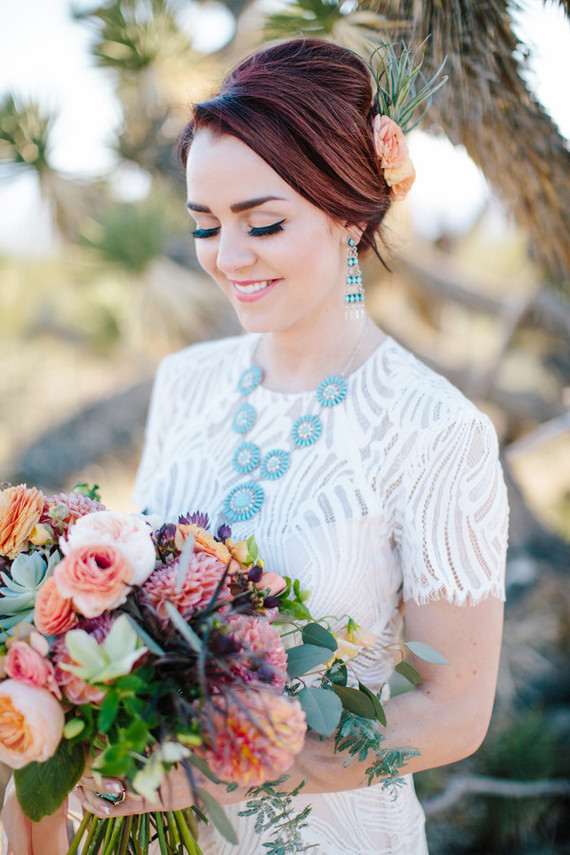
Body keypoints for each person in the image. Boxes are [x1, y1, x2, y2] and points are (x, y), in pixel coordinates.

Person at [4, 37, 508, 855]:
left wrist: (218, 770)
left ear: (350, 210)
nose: (227, 258)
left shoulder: (436, 430)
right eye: (206, 225)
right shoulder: (187, 382)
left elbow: (455, 709)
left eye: (262, 223)